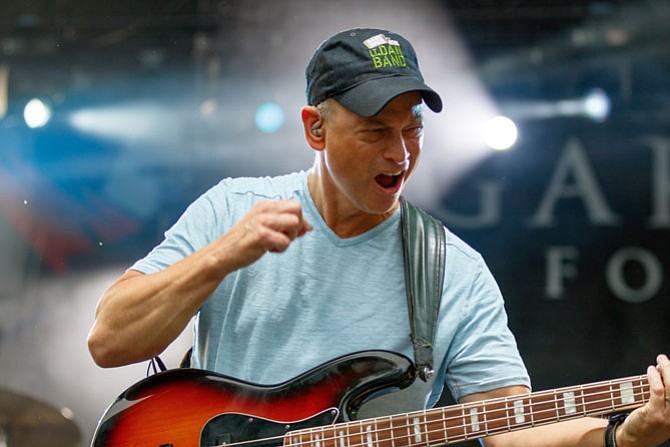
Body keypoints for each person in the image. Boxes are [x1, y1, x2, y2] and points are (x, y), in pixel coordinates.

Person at [87, 27, 670, 447]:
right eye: (375, 132)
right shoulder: (233, 209)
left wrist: (623, 436)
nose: (400, 154)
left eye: (412, 129)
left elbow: (509, 429)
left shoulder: (452, 269)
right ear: (316, 128)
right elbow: (109, 342)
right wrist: (220, 257)